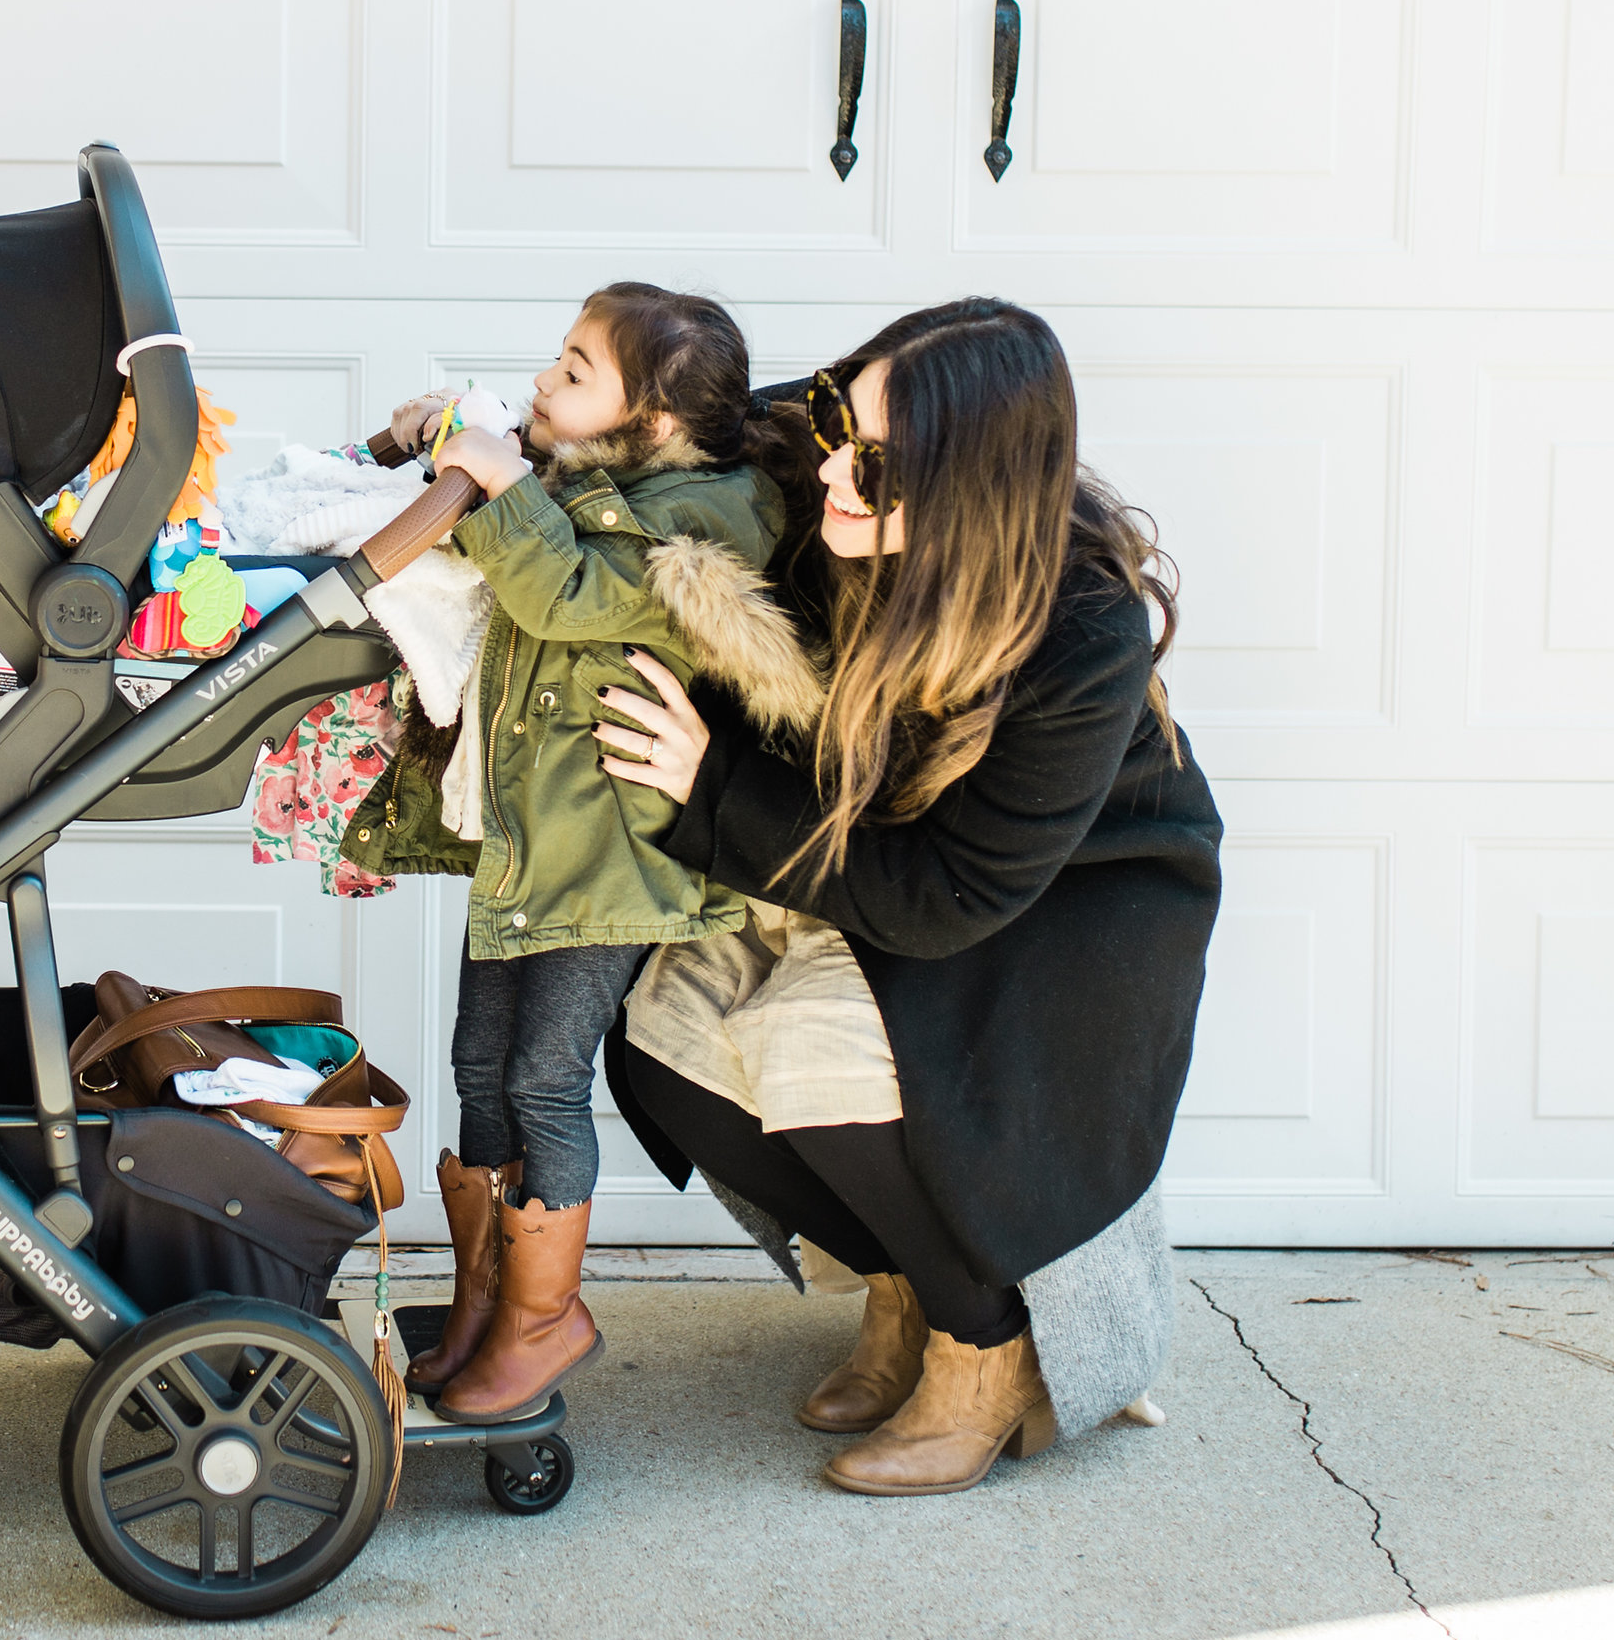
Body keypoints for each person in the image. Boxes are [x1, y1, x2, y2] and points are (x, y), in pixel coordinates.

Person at [593, 297, 1222, 1497]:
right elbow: (630, 418)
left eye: (876, 458)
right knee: (664, 1059)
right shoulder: (812, 463)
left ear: (972, 490)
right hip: (866, 856)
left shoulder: (1081, 630)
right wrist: (463, 449)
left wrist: (712, 788)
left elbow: (947, 898)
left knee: (810, 1059)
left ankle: (983, 1352)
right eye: (838, 411)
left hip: (1064, 915)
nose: (832, 460)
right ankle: (902, 1282)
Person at [344, 286, 822, 1423]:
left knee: (542, 1080)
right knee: (475, 1064)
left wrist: (506, 479)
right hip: (533, 846)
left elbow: (561, 591)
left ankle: (545, 1318)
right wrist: (448, 440)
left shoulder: (700, 528)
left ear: (649, 422)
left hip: (617, 861)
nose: (546, 383)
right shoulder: (596, 475)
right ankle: (483, 1300)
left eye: (574, 370)